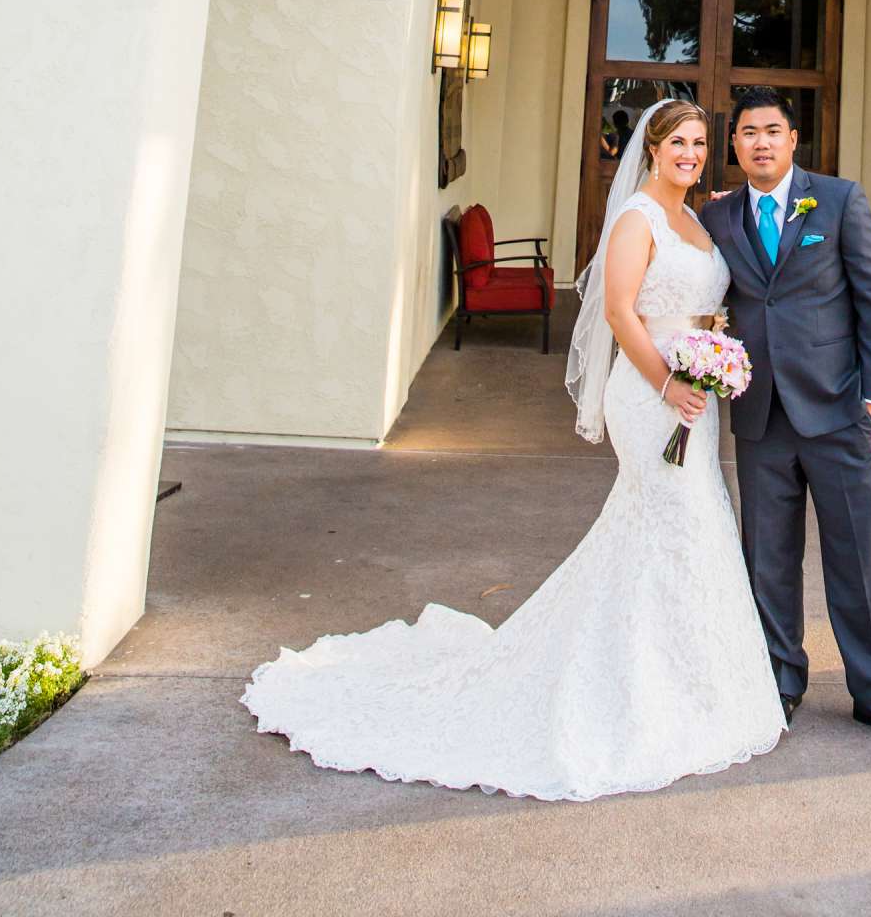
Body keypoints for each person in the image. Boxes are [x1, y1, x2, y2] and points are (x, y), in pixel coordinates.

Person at [242, 98, 783, 799]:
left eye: (700, 143)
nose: (690, 153)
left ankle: (691, 679)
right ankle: (645, 691)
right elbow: (620, 310)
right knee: (676, 519)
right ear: (650, 149)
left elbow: (705, 304)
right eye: (678, 141)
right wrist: (669, 383)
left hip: (695, 399)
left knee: (691, 521)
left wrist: (712, 358)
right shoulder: (639, 218)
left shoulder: (697, 219)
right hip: (652, 397)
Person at [700, 85, 871, 745]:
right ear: (736, 146)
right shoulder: (717, 220)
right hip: (760, 416)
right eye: (748, 133)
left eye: (772, 130)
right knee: (767, 560)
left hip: (837, 409)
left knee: (859, 557)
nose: (761, 142)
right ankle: (779, 682)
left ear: (793, 139)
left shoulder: (838, 200)